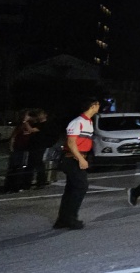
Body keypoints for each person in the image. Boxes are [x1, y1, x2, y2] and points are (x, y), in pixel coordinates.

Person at [55, 98, 100, 229]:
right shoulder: (78, 122)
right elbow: (71, 142)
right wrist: (81, 159)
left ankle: (63, 220)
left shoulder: (88, 122)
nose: (99, 107)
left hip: (77, 157)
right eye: (98, 104)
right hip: (72, 159)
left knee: (71, 188)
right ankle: (71, 219)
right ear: (92, 106)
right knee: (81, 187)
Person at [5, 109, 36, 193]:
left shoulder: (32, 125)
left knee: (22, 168)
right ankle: (11, 187)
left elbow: (31, 131)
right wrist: (11, 148)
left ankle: (19, 186)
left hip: (26, 149)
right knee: (14, 168)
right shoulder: (20, 126)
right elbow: (13, 137)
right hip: (18, 149)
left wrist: (26, 122)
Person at [26, 109, 52, 189]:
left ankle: (41, 182)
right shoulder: (37, 124)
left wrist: (25, 121)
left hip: (40, 146)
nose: (39, 116)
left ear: (45, 115)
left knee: (38, 163)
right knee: (31, 164)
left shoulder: (45, 124)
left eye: (40, 114)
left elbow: (30, 130)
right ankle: (28, 182)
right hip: (34, 146)